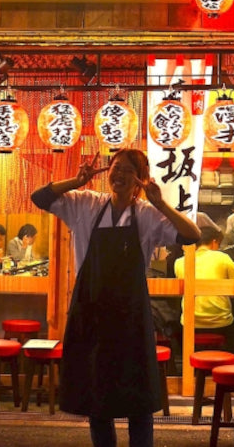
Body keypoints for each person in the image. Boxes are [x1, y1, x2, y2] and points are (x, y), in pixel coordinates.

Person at [31, 150, 200, 447]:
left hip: (130, 317)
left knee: (138, 403)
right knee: (98, 399)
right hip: (91, 313)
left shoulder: (148, 214)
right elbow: (39, 198)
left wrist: (161, 202)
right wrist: (77, 180)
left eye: (127, 170)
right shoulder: (86, 204)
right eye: (115, 167)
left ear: (140, 179)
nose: (118, 174)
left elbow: (192, 235)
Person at [173, 225, 234, 351]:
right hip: (221, 323)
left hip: (190, 323)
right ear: (214, 242)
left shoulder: (180, 262)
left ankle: (191, 368)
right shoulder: (223, 258)